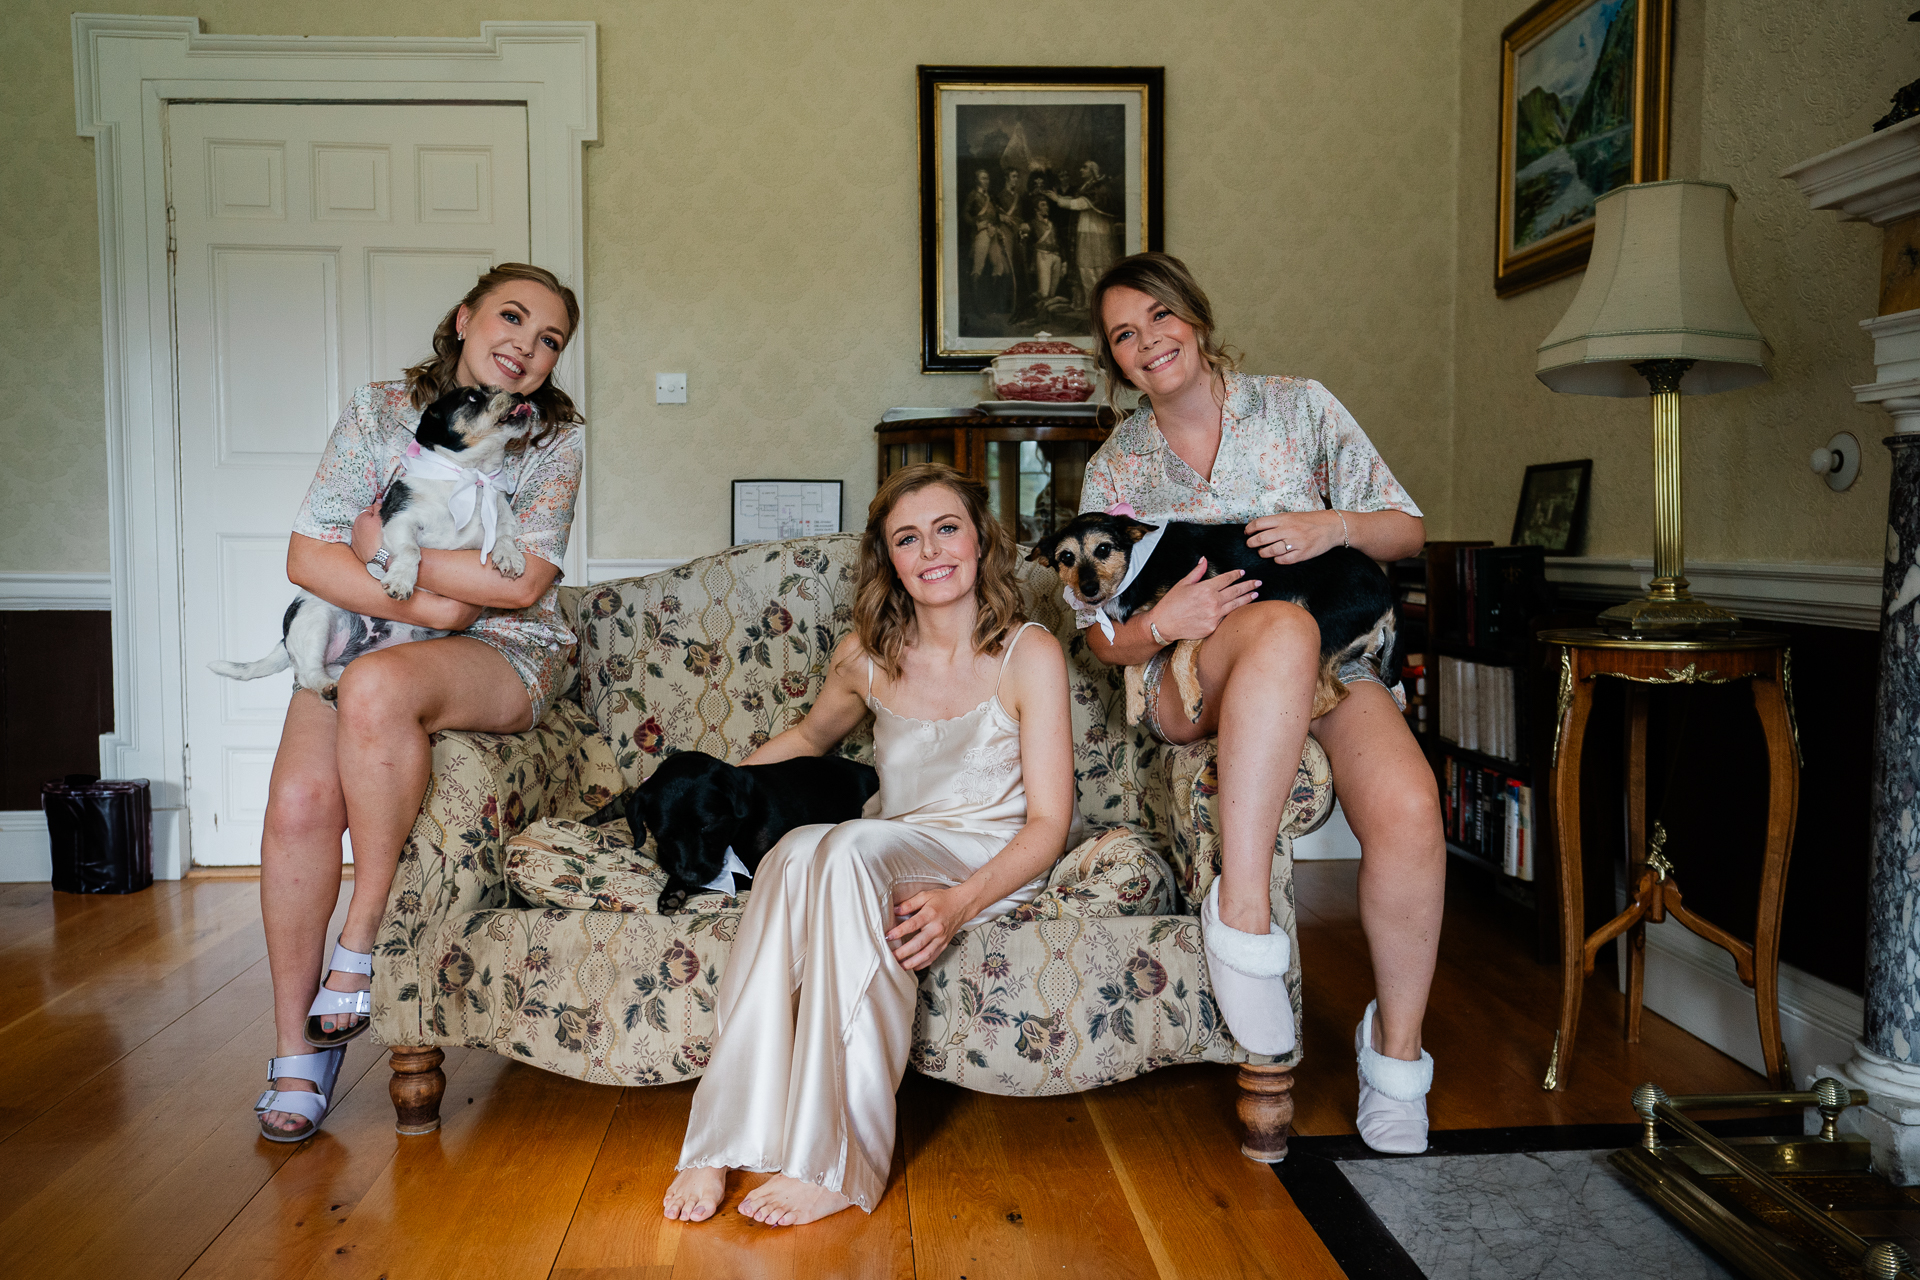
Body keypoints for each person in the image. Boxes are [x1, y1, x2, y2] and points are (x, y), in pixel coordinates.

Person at [1078, 252, 1444, 1155]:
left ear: (1194, 318)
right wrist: (1163, 617)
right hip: (1191, 678)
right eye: (1125, 335)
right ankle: (1241, 918)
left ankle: (1396, 1056)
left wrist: (1337, 526)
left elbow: (1409, 529)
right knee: (1278, 629)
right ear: (1116, 360)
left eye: (1160, 318)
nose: (1148, 342)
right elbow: (1100, 635)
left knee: (1408, 810)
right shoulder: (1117, 466)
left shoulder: (1299, 406)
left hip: (1336, 658)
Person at [662, 464, 1075, 1226]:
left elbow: (1048, 823)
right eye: (908, 539)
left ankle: (837, 1161)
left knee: (847, 849)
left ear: (981, 540)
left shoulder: (1029, 653)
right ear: (889, 560)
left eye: (947, 529)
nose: (932, 551)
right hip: (891, 841)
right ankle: (722, 1139)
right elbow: (808, 738)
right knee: (794, 852)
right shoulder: (865, 654)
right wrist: (690, 801)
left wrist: (956, 905)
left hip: (985, 857)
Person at [252, 264, 584, 1141]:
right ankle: (299, 1049)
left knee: (375, 686)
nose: (527, 344)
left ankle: (359, 942)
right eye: (512, 318)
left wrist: (392, 557)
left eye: (550, 338)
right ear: (467, 318)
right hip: (365, 626)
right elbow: (305, 556)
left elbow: (519, 587)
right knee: (297, 802)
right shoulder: (377, 410)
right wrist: (430, 599)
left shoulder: (552, 441)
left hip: (502, 651)